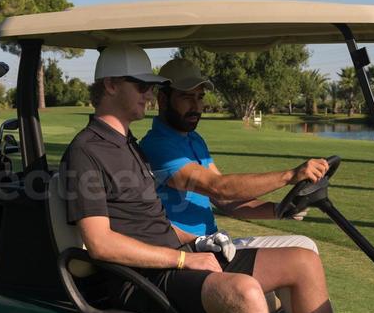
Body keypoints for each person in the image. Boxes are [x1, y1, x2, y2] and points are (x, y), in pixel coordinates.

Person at [59, 42, 354, 313]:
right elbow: (100, 242)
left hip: (171, 261)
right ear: (109, 85)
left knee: (301, 261)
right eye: (141, 84)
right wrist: (184, 257)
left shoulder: (129, 145)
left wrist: (196, 241)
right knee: (245, 293)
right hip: (138, 280)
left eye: (152, 86)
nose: (148, 93)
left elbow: (156, 223)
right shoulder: (86, 152)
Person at [138, 57, 323, 253]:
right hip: (190, 250)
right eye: (186, 97)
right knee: (301, 255)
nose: (196, 106)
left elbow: (226, 202)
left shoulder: (194, 139)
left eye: (199, 97)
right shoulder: (158, 145)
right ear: (163, 100)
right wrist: (290, 176)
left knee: (305, 245)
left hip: (215, 243)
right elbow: (218, 188)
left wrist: (279, 210)